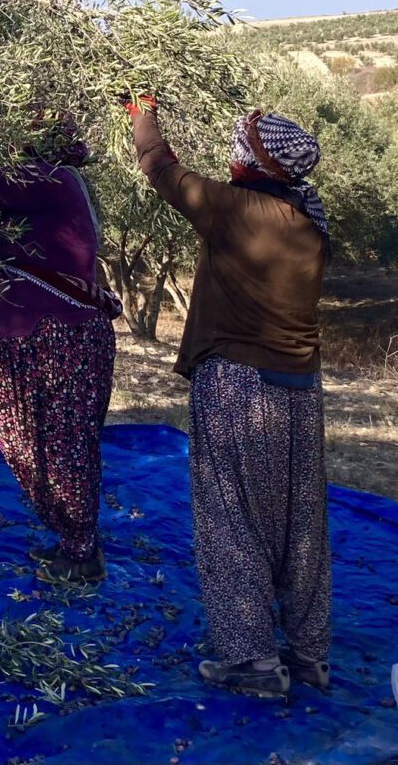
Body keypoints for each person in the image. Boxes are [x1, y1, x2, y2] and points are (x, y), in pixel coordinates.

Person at [126, 97, 332, 700]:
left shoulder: (240, 210)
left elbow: (160, 167)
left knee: (231, 517)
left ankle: (252, 662)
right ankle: (309, 654)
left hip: (239, 387)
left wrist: (142, 110)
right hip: (301, 389)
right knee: (301, 522)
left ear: (256, 160)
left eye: (243, 145)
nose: (235, 154)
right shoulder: (309, 218)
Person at [0, 117, 119, 586]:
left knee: (59, 443)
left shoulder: (49, 179)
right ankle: (72, 538)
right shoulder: (54, 182)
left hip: (53, 334)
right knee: (33, 443)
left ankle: (81, 553)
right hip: (34, 332)